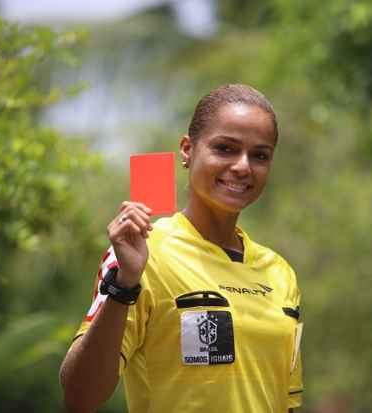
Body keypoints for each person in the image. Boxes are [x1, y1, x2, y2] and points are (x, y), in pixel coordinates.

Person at [60, 84, 303, 413]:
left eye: (259, 155)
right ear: (188, 149)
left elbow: (287, 402)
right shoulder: (142, 253)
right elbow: (80, 396)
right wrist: (124, 285)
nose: (243, 166)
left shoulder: (280, 273)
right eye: (225, 148)